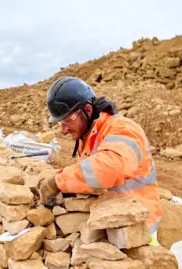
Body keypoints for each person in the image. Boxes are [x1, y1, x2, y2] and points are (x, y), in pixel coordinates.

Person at [39, 76, 161, 245]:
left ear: (87, 111)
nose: (64, 129)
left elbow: (109, 168)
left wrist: (59, 181)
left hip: (138, 229)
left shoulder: (122, 128)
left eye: (67, 120)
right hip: (110, 221)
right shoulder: (87, 135)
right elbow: (88, 176)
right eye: (61, 122)